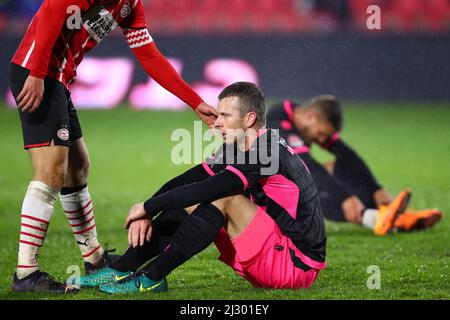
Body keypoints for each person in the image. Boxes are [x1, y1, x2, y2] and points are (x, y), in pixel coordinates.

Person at [9, 0, 218, 293]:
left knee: (78, 168)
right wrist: (36, 72)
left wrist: (194, 101)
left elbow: (150, 56)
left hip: (59, 79)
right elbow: (52, 10)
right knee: (51, 172)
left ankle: (94, 259)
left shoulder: (130, 5)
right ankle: (26, 273)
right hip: (40, 73)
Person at [79, 82, 327, 293]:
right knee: (196, 195)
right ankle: (120, 269)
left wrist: (147, 206)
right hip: (274, 248)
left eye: (225, 116)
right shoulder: (241, 145)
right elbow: (190, 179)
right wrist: (147, 210)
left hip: (296, 265)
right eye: (218, 115)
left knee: (222, 197)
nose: (218, 123)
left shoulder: (265, 152)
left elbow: (207, 189)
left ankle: (151, 278)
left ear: (249, 118)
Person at [266, 96, 442, 235]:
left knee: (340, 167)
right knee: (306, 181)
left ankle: (393, 216)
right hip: (265, 200)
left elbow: (347, 155)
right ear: (310, 117)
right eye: (320, 134)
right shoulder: (277, 121)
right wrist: (345, 198)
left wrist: (376, 189)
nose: (321, 140)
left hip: (286, 188)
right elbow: (306, 166)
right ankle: (373, 219)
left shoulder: (304, 117)